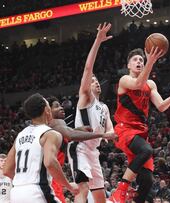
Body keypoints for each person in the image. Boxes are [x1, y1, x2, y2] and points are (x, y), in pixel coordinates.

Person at [109, 46, 170, 203]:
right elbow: (138, 84)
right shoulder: (124, 80)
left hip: (140, 133)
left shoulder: (151, 84)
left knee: (147, 182)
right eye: (135, 60)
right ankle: (121, 189)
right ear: (128, 65)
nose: (139, 61)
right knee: (147, 150)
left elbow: (161, 107)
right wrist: (151, 61)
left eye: (141, 59)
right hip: (124, 130)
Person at [3, 93, 79, 203]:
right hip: (37, 191)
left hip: (16, 192)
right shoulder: (50, 134)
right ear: (46, 110)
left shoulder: (20, 135)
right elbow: (50, 162)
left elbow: (6, 170)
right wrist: (68, 185)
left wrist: (24, 182)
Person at [71, 22, 114, 203]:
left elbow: (111, 130)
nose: (95, 82)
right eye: (92, 80)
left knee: (99, 198)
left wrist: (110, 134)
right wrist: (97, 41)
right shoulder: (86, 97)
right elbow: (88, 68)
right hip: (80, 147)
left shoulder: (104, 107)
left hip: (94, 152)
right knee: (83, 189)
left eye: (97, 80)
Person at [47, 95, 117, 203]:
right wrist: (101, 135)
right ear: (48, 111)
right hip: (48, 179)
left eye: (61, 105)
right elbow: (71, 135)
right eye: (56, 106)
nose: (61, 107)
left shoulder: (52, 128)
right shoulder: (55, 123)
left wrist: (78, 129)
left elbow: (67, 132)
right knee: (82, 188)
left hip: (49, 178)